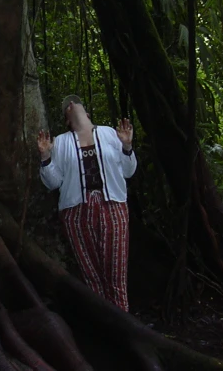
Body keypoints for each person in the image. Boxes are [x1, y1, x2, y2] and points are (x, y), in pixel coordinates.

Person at [37, 95, 137, 311]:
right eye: (67, 106)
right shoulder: (61, 142)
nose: (71, 104)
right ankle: (102, 327)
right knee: (92, 276)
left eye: (75, 102)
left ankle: (124, 330)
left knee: (116, 274)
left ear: (87, 113)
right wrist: (45, 156)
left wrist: (127, 146)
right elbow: (54, 183)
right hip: (76, 212)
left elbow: (128, 171)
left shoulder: (110, 134)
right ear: (67, 119)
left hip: (113, 207)